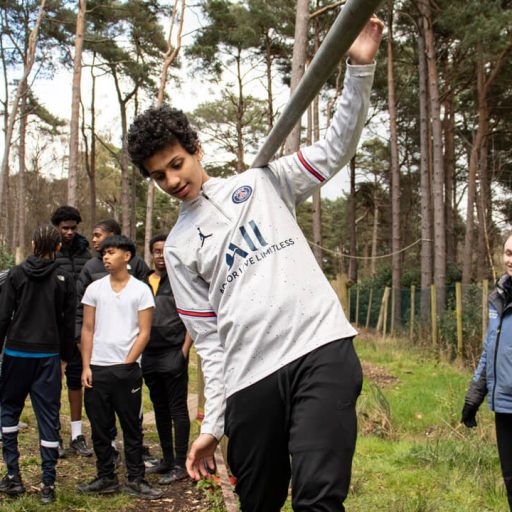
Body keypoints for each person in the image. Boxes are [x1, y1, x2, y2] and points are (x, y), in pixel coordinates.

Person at [127, 16, 383, 512]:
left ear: (196, 150)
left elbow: (335, 149)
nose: (172, 180)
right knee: (258, 501)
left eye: (177, 163)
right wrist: (212, 426)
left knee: (318, 498)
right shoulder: (178, 247)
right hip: (250, 379)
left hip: (319, 349)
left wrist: (358, 69)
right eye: (159, 176)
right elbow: (210, 344)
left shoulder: (263, 182)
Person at [78, 235, 163, 500]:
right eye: (103, 253)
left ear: (126, 256)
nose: (105, 257)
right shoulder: (94, 289)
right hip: (97, 369)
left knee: (132, 427)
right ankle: (106, 478)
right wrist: (86, 366)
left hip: (127, 371)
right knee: (100, 428)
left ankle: (136, 479)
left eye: (111, 252)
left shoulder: (141, 290)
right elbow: (88, 328)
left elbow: (144, 332)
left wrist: (128, 363)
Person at [0, 225, 77, 505]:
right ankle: (47, 484)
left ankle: (13, 476)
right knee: (48, 418)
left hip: (16, 354)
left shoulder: (16, 274)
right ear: (57, 248)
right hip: (48, 357)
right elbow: (69, 323)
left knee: (8, 411)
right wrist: (65, 357)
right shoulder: (65, 277)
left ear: (33, 244)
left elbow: (3, 316)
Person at [462, 233, 512, 510]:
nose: (510, 259)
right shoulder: (498, 298)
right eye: (507, 253)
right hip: (504, 406)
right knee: (511, 481)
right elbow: (490, 350)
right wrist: (475, 395)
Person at [143, 234, 192, 484]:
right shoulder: (144, 281)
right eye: (156, 251)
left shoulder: (181, 281)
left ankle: (181, 463)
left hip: (173, 353)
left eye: (164, 251)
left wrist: (183, 352)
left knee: (177, 409)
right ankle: (166, 459)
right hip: (149, 355)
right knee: (159, 408)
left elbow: (191, 319)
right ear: (151, 254)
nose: (160, 256)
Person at [51, 205, 92, 458]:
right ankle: (53, 434)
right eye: (64, 228)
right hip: (55, 325)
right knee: (53, 380)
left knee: (77, 379)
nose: (68, 232)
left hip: (80, 324)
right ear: (57, 228)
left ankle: (77, 434)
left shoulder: (85, 252)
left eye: (72, 228)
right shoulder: (50, 253)